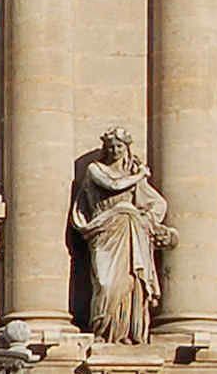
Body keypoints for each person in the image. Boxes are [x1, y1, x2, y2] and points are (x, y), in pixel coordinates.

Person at [70, 125, 176, 344]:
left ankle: (127, 333)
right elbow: (113, 185)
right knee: (106, 284)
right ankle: (103, 329)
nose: (115, 150)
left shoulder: (133, 177)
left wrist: (148, 219)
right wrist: (139, 175)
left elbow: (158, 203)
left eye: (119, 146)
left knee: (129, 283)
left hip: (129, 230)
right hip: (104, 231)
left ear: (127, 148)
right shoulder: (95, 169)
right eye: (111, 146)